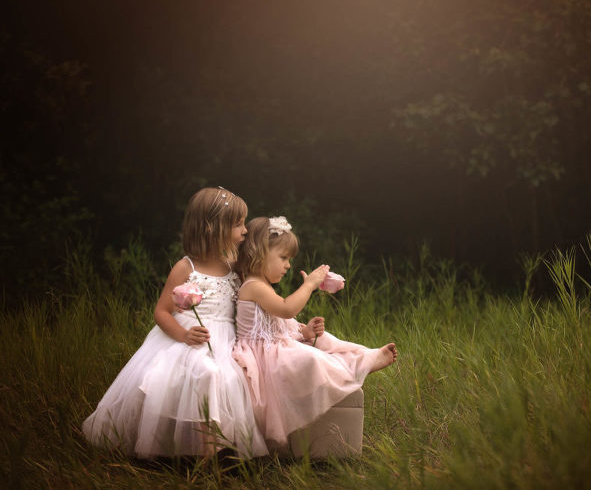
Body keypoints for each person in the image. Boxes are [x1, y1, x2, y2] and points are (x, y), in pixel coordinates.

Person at [82, 187, 267, 458]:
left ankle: (216, 448)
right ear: (211, 228)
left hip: (224, 342)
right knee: (205, 373)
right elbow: (162, 312)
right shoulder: (186, 267)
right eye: (237, 224)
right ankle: (208, 452)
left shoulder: (234, 265)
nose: (244, 230)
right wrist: (183, 335)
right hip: (187, 340)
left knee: (226, 378)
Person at [233, 216, 397, 451]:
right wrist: (309, 285)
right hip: (263, 357)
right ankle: (356, 365)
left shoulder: (263, 285)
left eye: (289, 259)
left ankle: (361, 360)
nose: (288, 265)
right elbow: (287, 308)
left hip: (274, 347)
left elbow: (280, 320)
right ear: (259, 253)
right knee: (309, 359)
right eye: (283, 258)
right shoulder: (253, 286)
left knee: (324, 340)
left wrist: (305, 330)